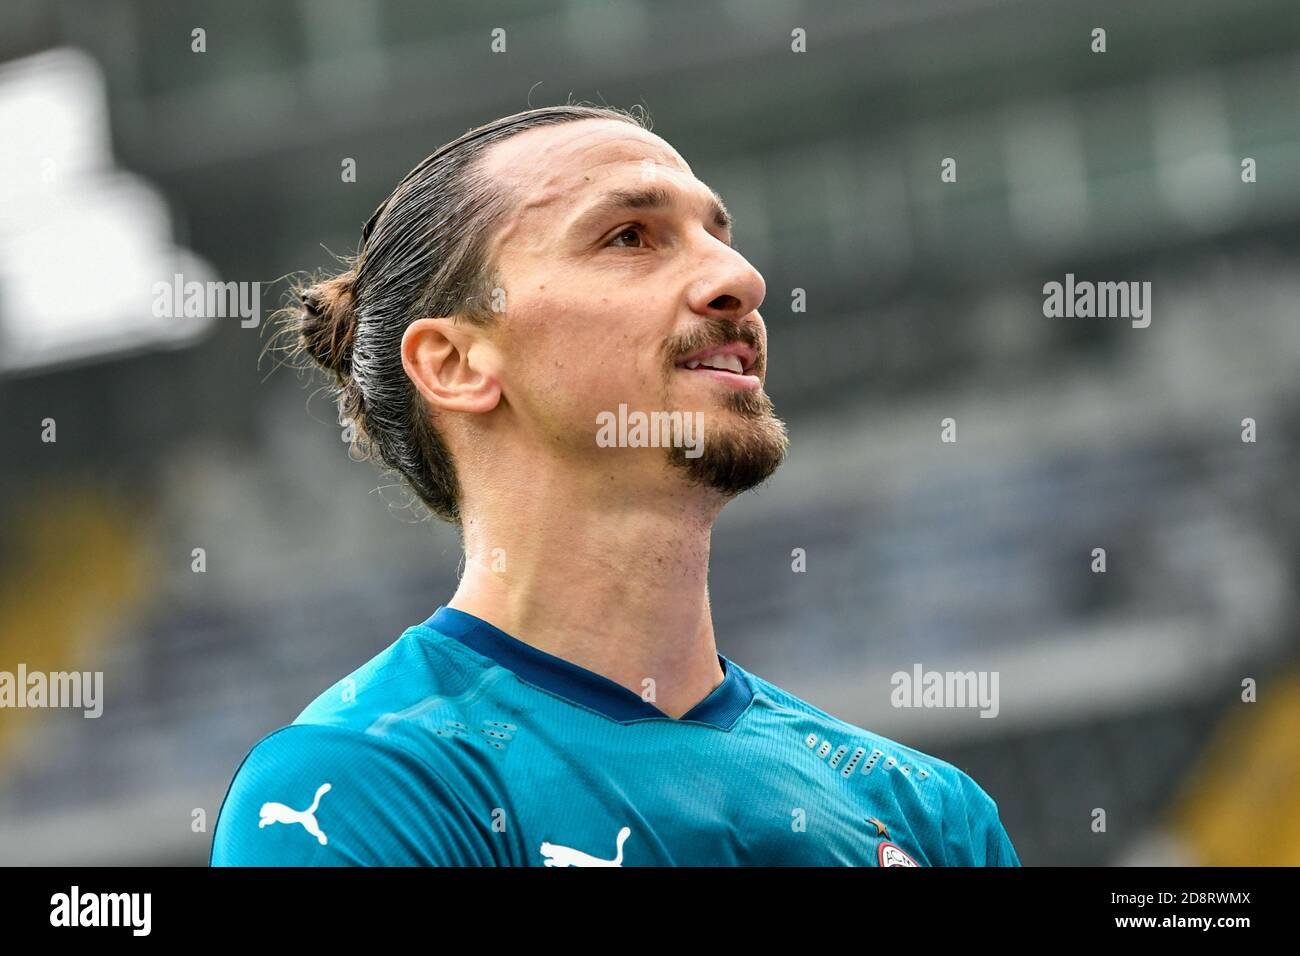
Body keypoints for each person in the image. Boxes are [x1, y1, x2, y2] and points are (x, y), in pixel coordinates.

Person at [210, 104, 1019, 866]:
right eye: (631, 237)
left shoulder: (933, 814)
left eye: (717, 234)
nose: (739, 278)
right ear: (454, 364)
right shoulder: (362, 785)